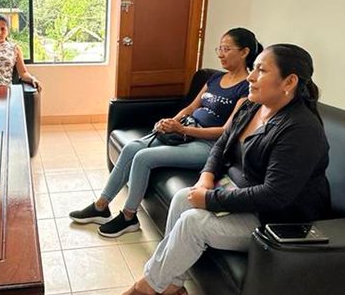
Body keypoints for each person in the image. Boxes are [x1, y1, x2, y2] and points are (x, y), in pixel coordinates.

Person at [110, 44, 330, 295]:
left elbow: (275, 195)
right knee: (183, 197)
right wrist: (206, 177)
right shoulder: (252, 106)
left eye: (261, 70)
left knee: (193, 222)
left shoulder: (300, 129)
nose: (251, 76)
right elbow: (221, 145)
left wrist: (210, 200)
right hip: (241, 193)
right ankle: (173, 289)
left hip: (278, 219)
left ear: (289, 82)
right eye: (254, 68)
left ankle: (146, 287)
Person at [71, 28, 262, 238]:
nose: (220, 54)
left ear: (244, 52)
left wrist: (182, 129)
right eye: (219, 49)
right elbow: (191, 108)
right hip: (185, 132)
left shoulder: (246, 88)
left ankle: (128, 217)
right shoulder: (215, 78)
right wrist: (172, 122)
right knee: (132, 148)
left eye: (226, 49)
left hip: (207, 146)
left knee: (143, 158)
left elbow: (225, 131)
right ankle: (101, 206)